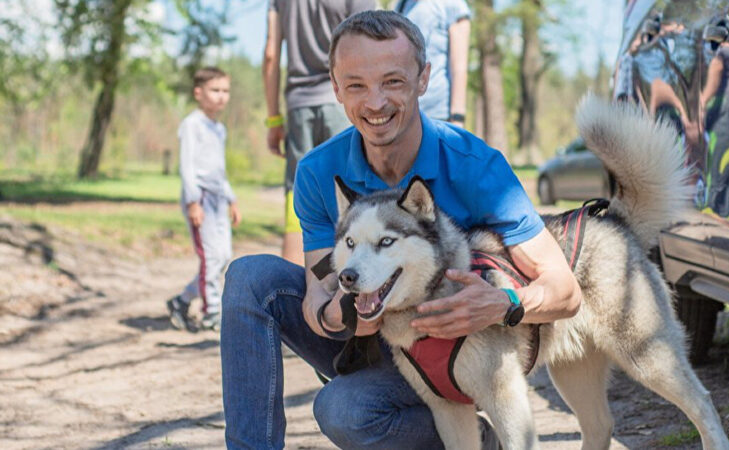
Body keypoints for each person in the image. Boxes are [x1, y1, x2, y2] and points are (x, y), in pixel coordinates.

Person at [221, 11, 581, 449]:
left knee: (342, 411)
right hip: (377, 345)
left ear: (423, 78)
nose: (374, 103)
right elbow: (321, 288)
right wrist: (338, 317)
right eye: (356, 85)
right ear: (335, 87)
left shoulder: (476, 166)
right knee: (250, 278)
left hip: (465, 350)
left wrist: (502, 303)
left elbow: (566, 291)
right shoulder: (318, 172)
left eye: (392, 81)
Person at [263, 0, 375, 266]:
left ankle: (293, 290)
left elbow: (270, 55)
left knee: (297, 194)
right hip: (344, 101)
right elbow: (369, 46)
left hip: (298, 107)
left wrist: (273, 118)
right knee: (353, 197)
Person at [167, 67, 242, 332]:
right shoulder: (192, 125)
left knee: (223, 256)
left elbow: (219, 170)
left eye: (225, 91)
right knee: (210, 257)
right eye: (215, 90)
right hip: (200, 199)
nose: (221, 97)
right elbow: (187, 166)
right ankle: (212, 311)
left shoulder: (218, 128)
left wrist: (232, 199)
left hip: (219, 199)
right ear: (199, 93)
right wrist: (192, 201)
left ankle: (182, 300)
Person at [396, 0, 470, 128]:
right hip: (403, 114)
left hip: (437, 116)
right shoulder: (402, 4)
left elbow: (459, 68)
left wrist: (457, 118)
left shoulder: (454, 5)